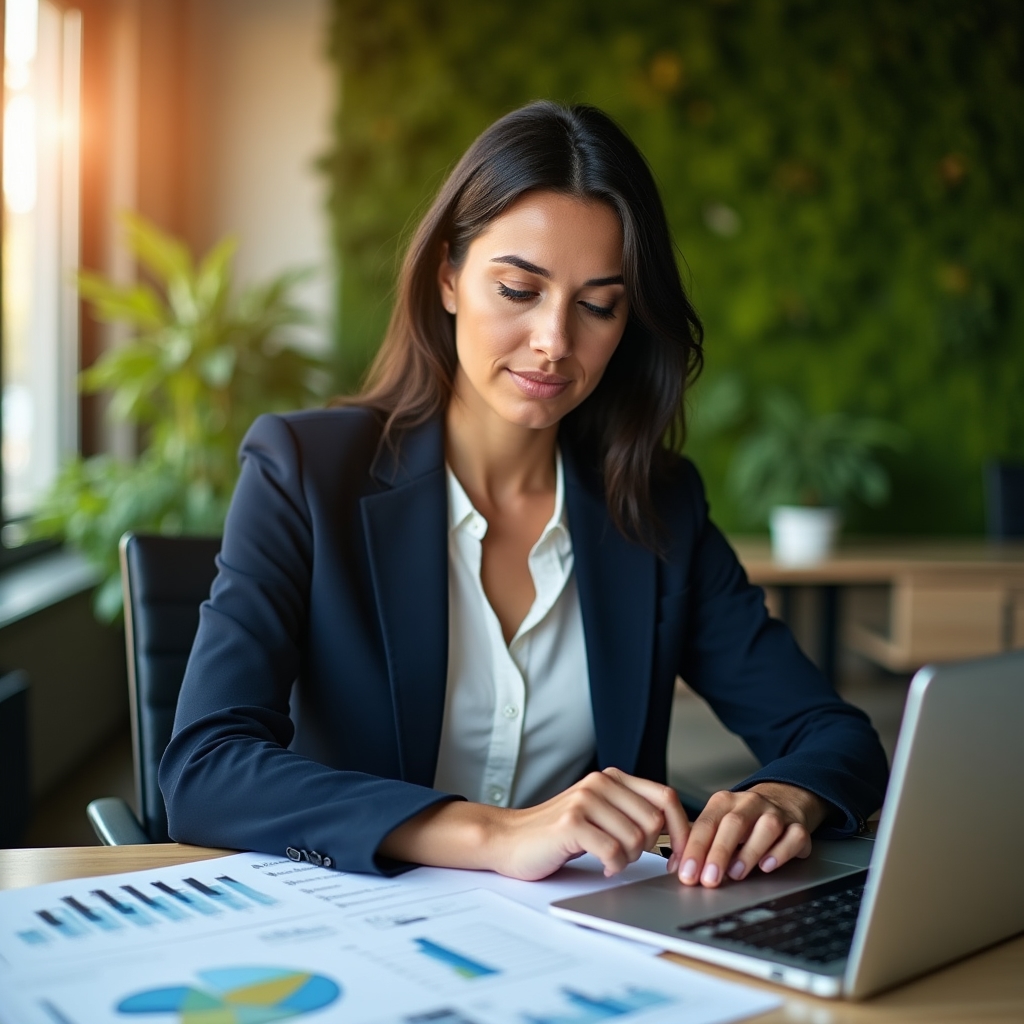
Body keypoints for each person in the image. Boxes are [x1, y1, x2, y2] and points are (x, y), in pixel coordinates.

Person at [161, 101, 887, 888]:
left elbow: (832, 735)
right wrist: (496, 834)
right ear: (448, 275)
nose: (554, 341)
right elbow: (207, 769)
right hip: (354, 932)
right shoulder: (303, 469)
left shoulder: (655, 507)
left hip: (588, 951)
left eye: (598, 305)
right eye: (517, 289)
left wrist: (783, 797)